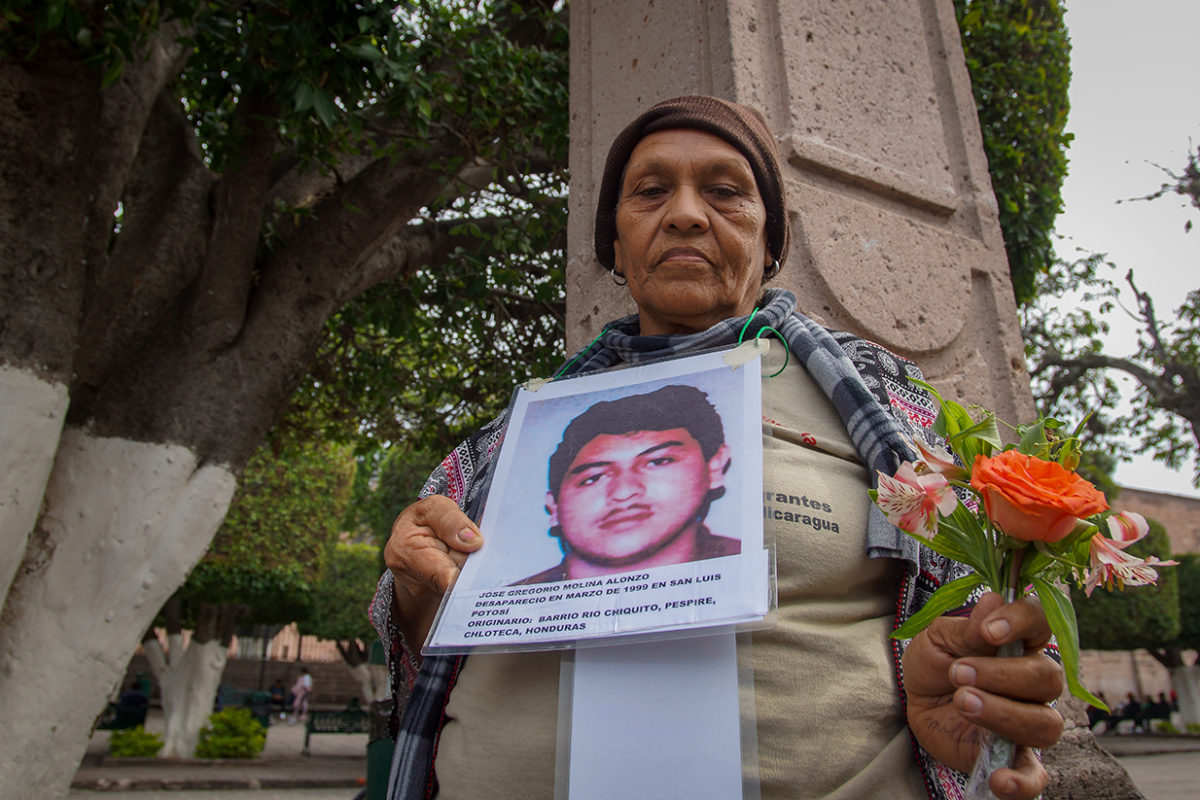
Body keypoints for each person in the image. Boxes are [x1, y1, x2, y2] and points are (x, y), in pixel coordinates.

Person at [372, 95, 1064, 800]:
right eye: (649, 192)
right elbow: (421, 640)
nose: (685, 214)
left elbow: (990, 614)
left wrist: (973, 688)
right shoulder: (518, 432)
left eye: (726, 191)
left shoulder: (886, 407)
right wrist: (412, 585)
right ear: (614, 242)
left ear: (771, 242)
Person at [517, 384, 739, 585]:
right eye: (593, 478)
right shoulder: (509, 610)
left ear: (714, 467)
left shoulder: (754, 570)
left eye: (658, 461)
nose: (624, 492)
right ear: (554, 506)